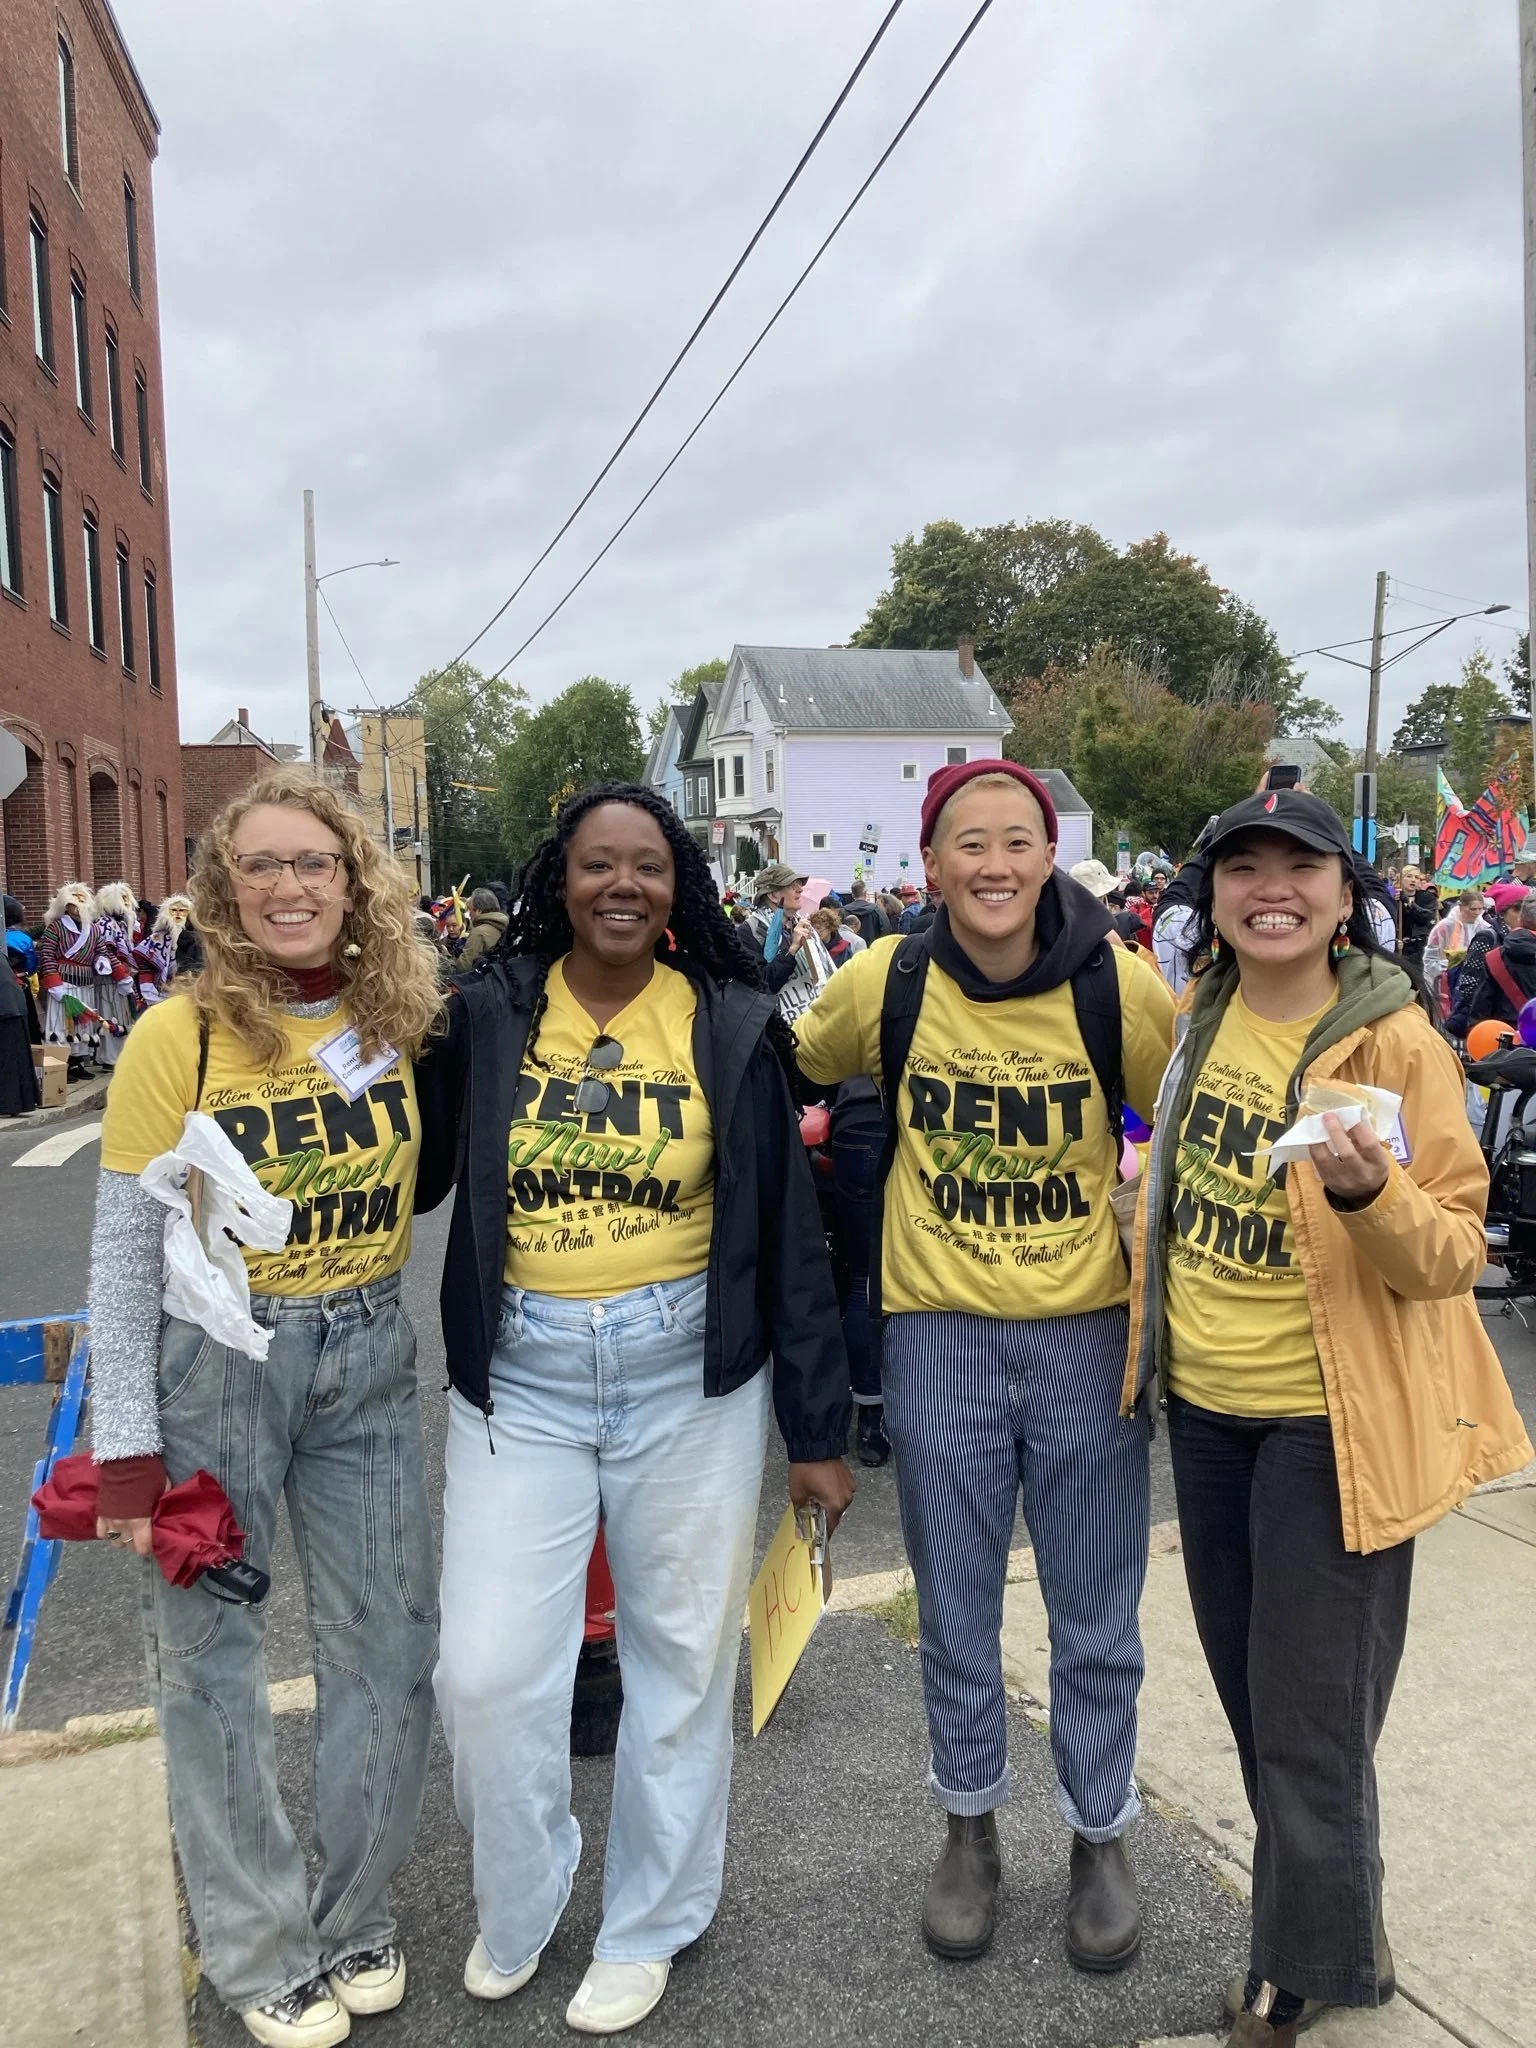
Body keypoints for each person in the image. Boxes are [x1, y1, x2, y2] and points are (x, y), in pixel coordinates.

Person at [415, 784, 853, 2037]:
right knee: (487, 1673)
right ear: (559, 878)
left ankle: (650, 1916)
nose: (622, 884)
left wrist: (817, 1438)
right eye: (597, 863)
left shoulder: (729, 1022)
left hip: (687, 1387)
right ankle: (530, 1876)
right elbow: (425, 1170)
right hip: (523, 1385)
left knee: (679, 1662)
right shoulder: (490, 1014)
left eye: (647, 866)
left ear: (677, 888)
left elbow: (792, 1244)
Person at [1121, 790, 1532, 2046]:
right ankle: (1340, 1916)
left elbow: (1457, 1248)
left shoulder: (1399, 1038)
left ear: (1346, 894)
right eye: (1239, 866)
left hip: (1327, 1426)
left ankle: (1287, 1982)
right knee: (1265, 1705)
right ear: (1214, 897)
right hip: (1207, 1412)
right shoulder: (1202, 1012)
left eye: (1299, 864)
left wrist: (1372, 1194)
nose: (1269, 887)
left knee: (1311, 1718)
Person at [795, 760, 1176, 1973]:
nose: (996, 864)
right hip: (937, 1331)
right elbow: (779, 1071)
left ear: (1050, 852)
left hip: (1080, 1336)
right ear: (933, 860)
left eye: (1019, 839)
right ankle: (969, 1825)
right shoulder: (884, 979)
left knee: (1094, 1611)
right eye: (971, 842)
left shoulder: (1118, 982)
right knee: (955, 1607)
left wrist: (1143, 1195)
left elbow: (1194, 1110)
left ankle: (1098, 1833)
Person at [89, 767, 444, 2047]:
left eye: (316, 863)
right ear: (224, 889)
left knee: (390, 1644)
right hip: (220, 1367)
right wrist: (125, 1458)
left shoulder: (391, 1017)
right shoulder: (173, 1035)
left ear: (355, 883)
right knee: (211, 1666)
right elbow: (124, 1261)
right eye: (264, 866)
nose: (291, 887)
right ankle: (255, 1943)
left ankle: (351, 1915)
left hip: (368, 1347)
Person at [741, 860, 835, 1023]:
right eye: (792, 886)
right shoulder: (750, 931)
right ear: (773, 895)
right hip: (777, 1029)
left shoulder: (800, 924)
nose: (800, 889)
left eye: (799, 884)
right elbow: (761, 984)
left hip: (811, 1023)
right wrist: (792, 950)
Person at [1453, 888, 1536, 1035]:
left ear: (1523, 919)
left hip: (1507, 1040)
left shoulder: (1495, 957)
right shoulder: (1487, 938)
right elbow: (1469, 986)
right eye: (1515, 908)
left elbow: (1481, 1010)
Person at [38, 880, 98, 1060]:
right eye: (74, 902)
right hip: (63, 981)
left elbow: (100, 949)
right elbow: (46, 954)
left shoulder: (93, 928)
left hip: (86, 980)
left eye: (82, 900)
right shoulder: (56, 927)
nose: (78, 906)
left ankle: (78, 1060)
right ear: (66, 905)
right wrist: (53, 982)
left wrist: (102, 960)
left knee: (82, 1025)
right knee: (61, 1023)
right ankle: (60, 1061)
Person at [90, 880, 140, 1065]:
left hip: (121, 978)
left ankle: (116, 1055)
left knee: (122, 1014)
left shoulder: (119, 924)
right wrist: (121, 974)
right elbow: (105, 951)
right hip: (109, 979)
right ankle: (109, 1058)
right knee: (111, 1015)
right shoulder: (105, 923)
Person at [1422, 888, 1488, 1006]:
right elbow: (1430, 961)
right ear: (1461, 906)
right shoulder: (1444, 927)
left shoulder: (1485, 928)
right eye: (1473, 909)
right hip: (1445, 987)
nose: (1477, 913)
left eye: (1480, 909)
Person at [457, 885, 509, 966]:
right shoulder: (506, 925)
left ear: (479, 911)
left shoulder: (478, 932)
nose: (469, 914)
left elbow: (464, 966)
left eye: (470, 909)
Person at [843, 875, 890, 945]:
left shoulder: (843, 911)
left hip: (849, 950)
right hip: (872, 949)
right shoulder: (876, 910)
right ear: (865, 893)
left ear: (852, 894)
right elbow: (886, 929)